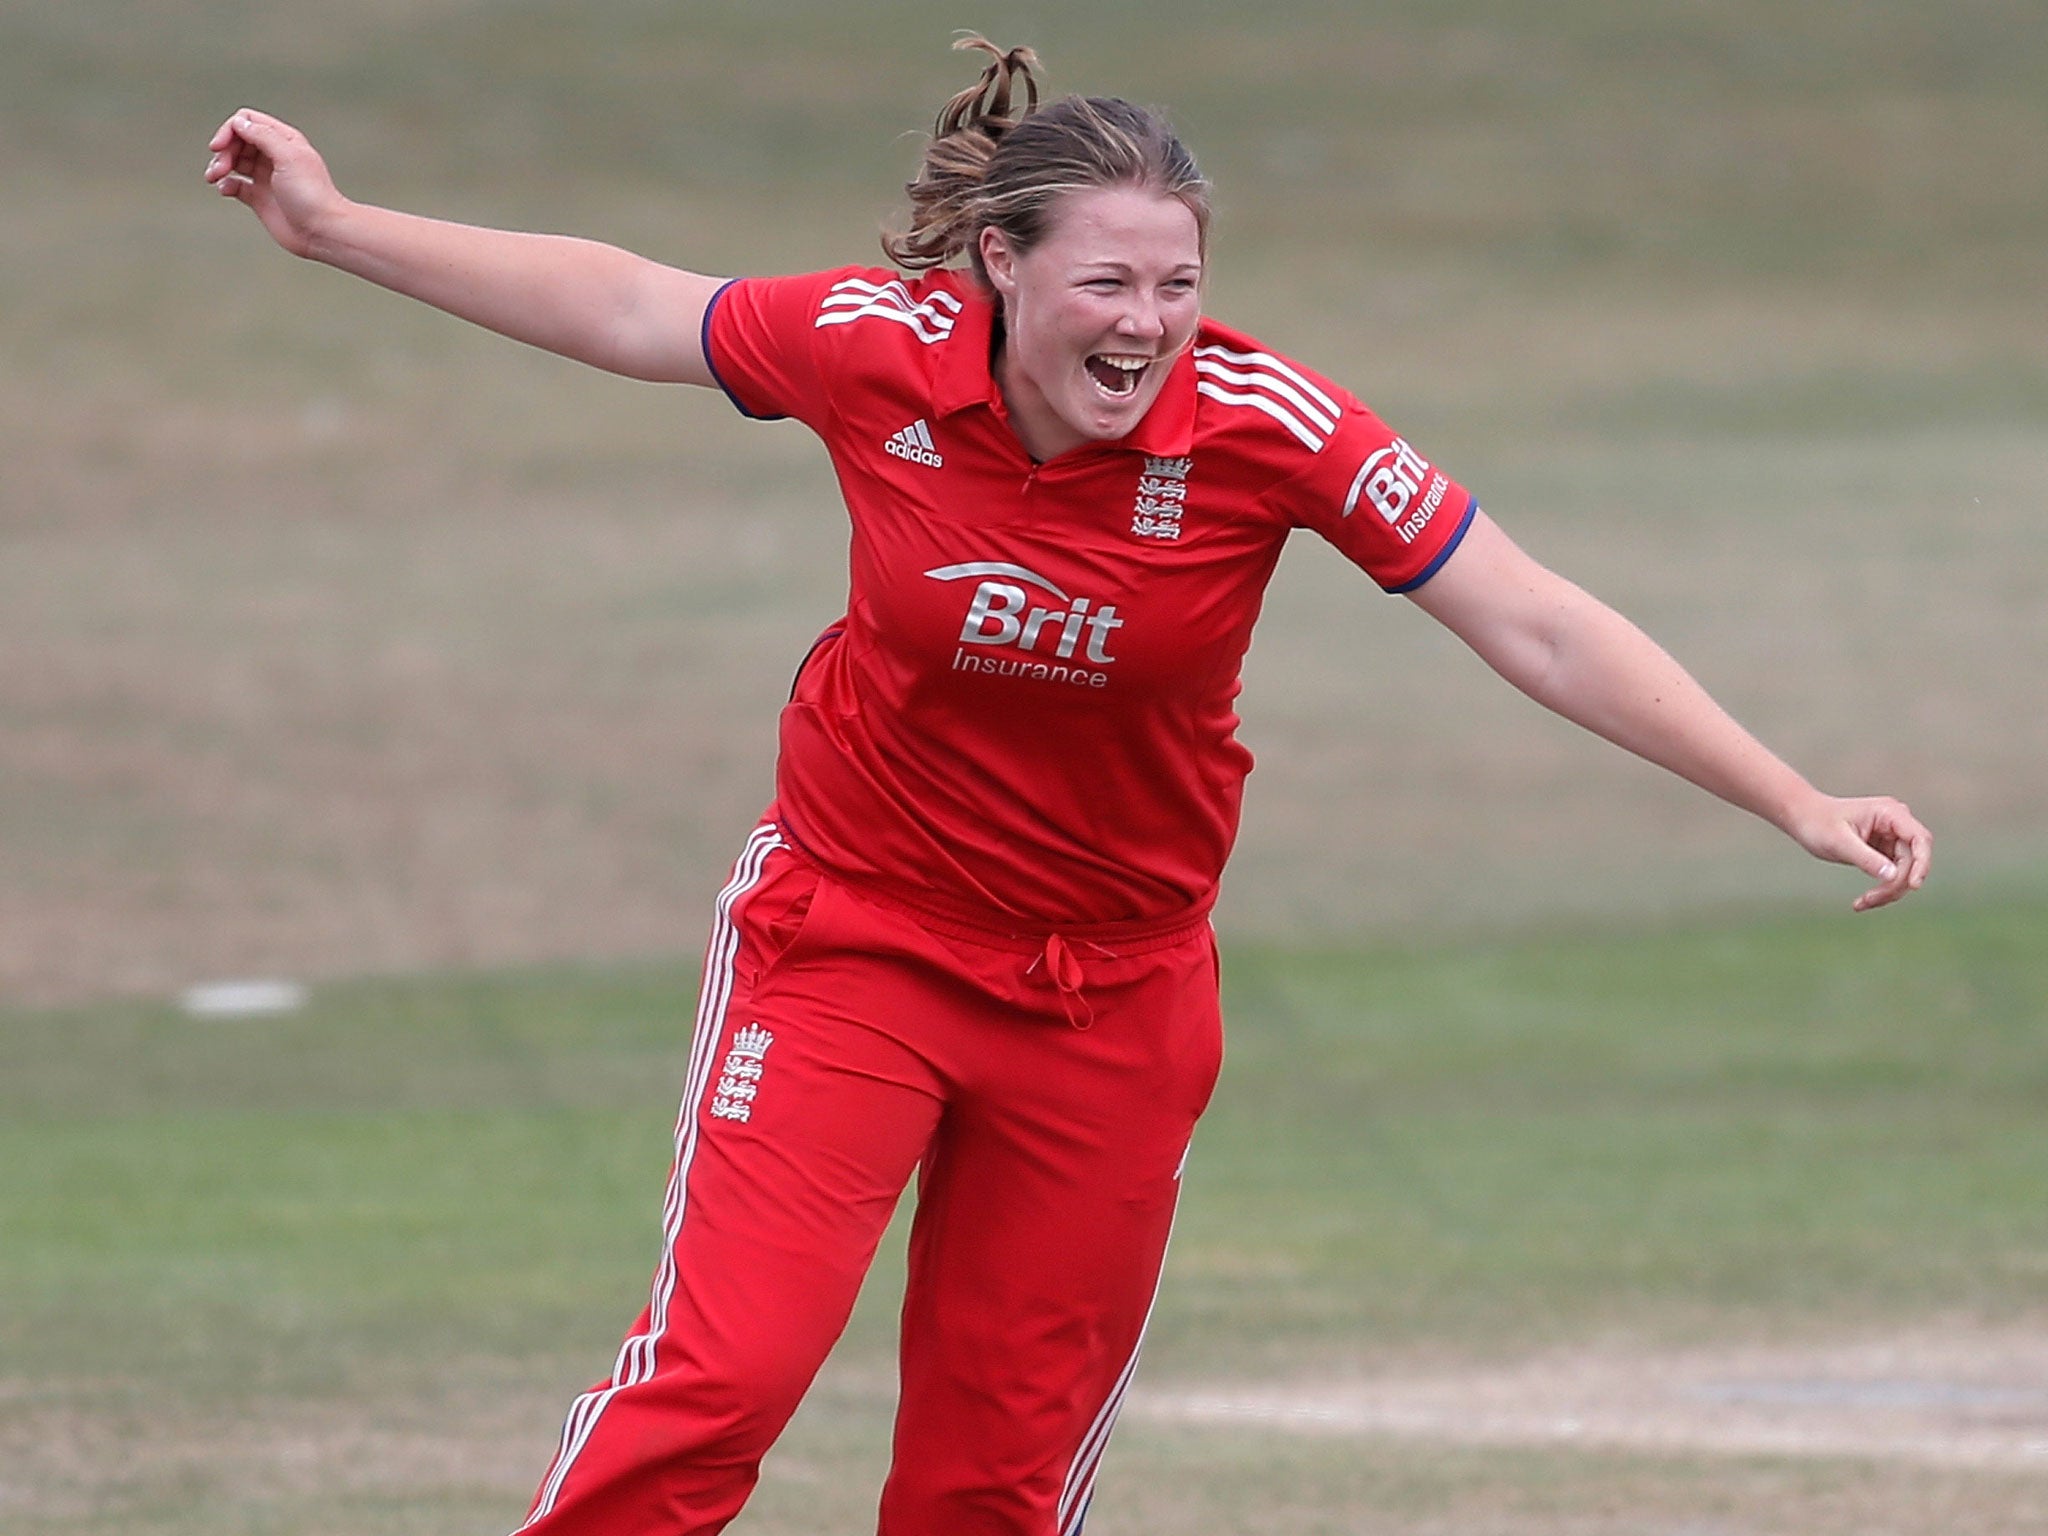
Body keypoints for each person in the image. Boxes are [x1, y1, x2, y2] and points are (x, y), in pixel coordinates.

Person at [205, 36, 1931, 1536]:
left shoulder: (1269, 425)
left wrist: (1787, 795)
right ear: (1000, 268)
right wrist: (336, 226)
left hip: (1113, 998)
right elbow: (638, 306)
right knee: (719, 1391)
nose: (1151, 324)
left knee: (991, 1486)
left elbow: (1536, 622)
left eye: (1177, 286)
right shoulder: (873, 347)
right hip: (853, 946)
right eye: (1108, 283)